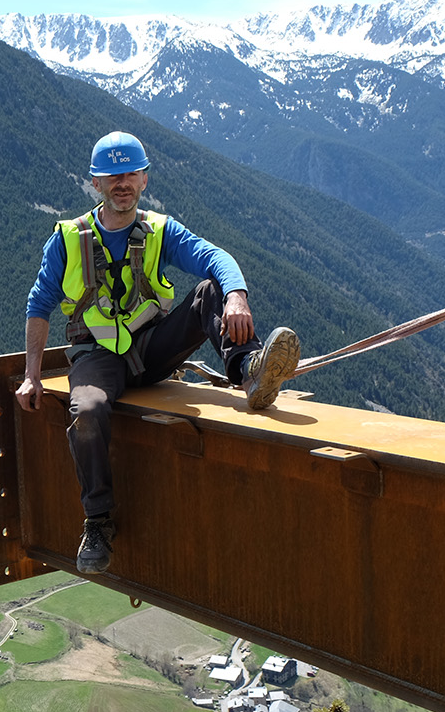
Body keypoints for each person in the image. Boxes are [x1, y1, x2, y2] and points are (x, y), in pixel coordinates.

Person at [15, 131, 299, 574]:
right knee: (87, 411)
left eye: (130, 173)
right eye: (113, 176)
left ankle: (250, 371)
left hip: (150, 348)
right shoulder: (69, 239)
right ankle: (98, 519)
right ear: (96, 184)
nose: (122, 183)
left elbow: (214, 258)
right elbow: (39, 305)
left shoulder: (161, 231)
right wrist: (32, 374)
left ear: (144, 179)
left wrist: (236, 297)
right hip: (97, 357)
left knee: (210, 292)